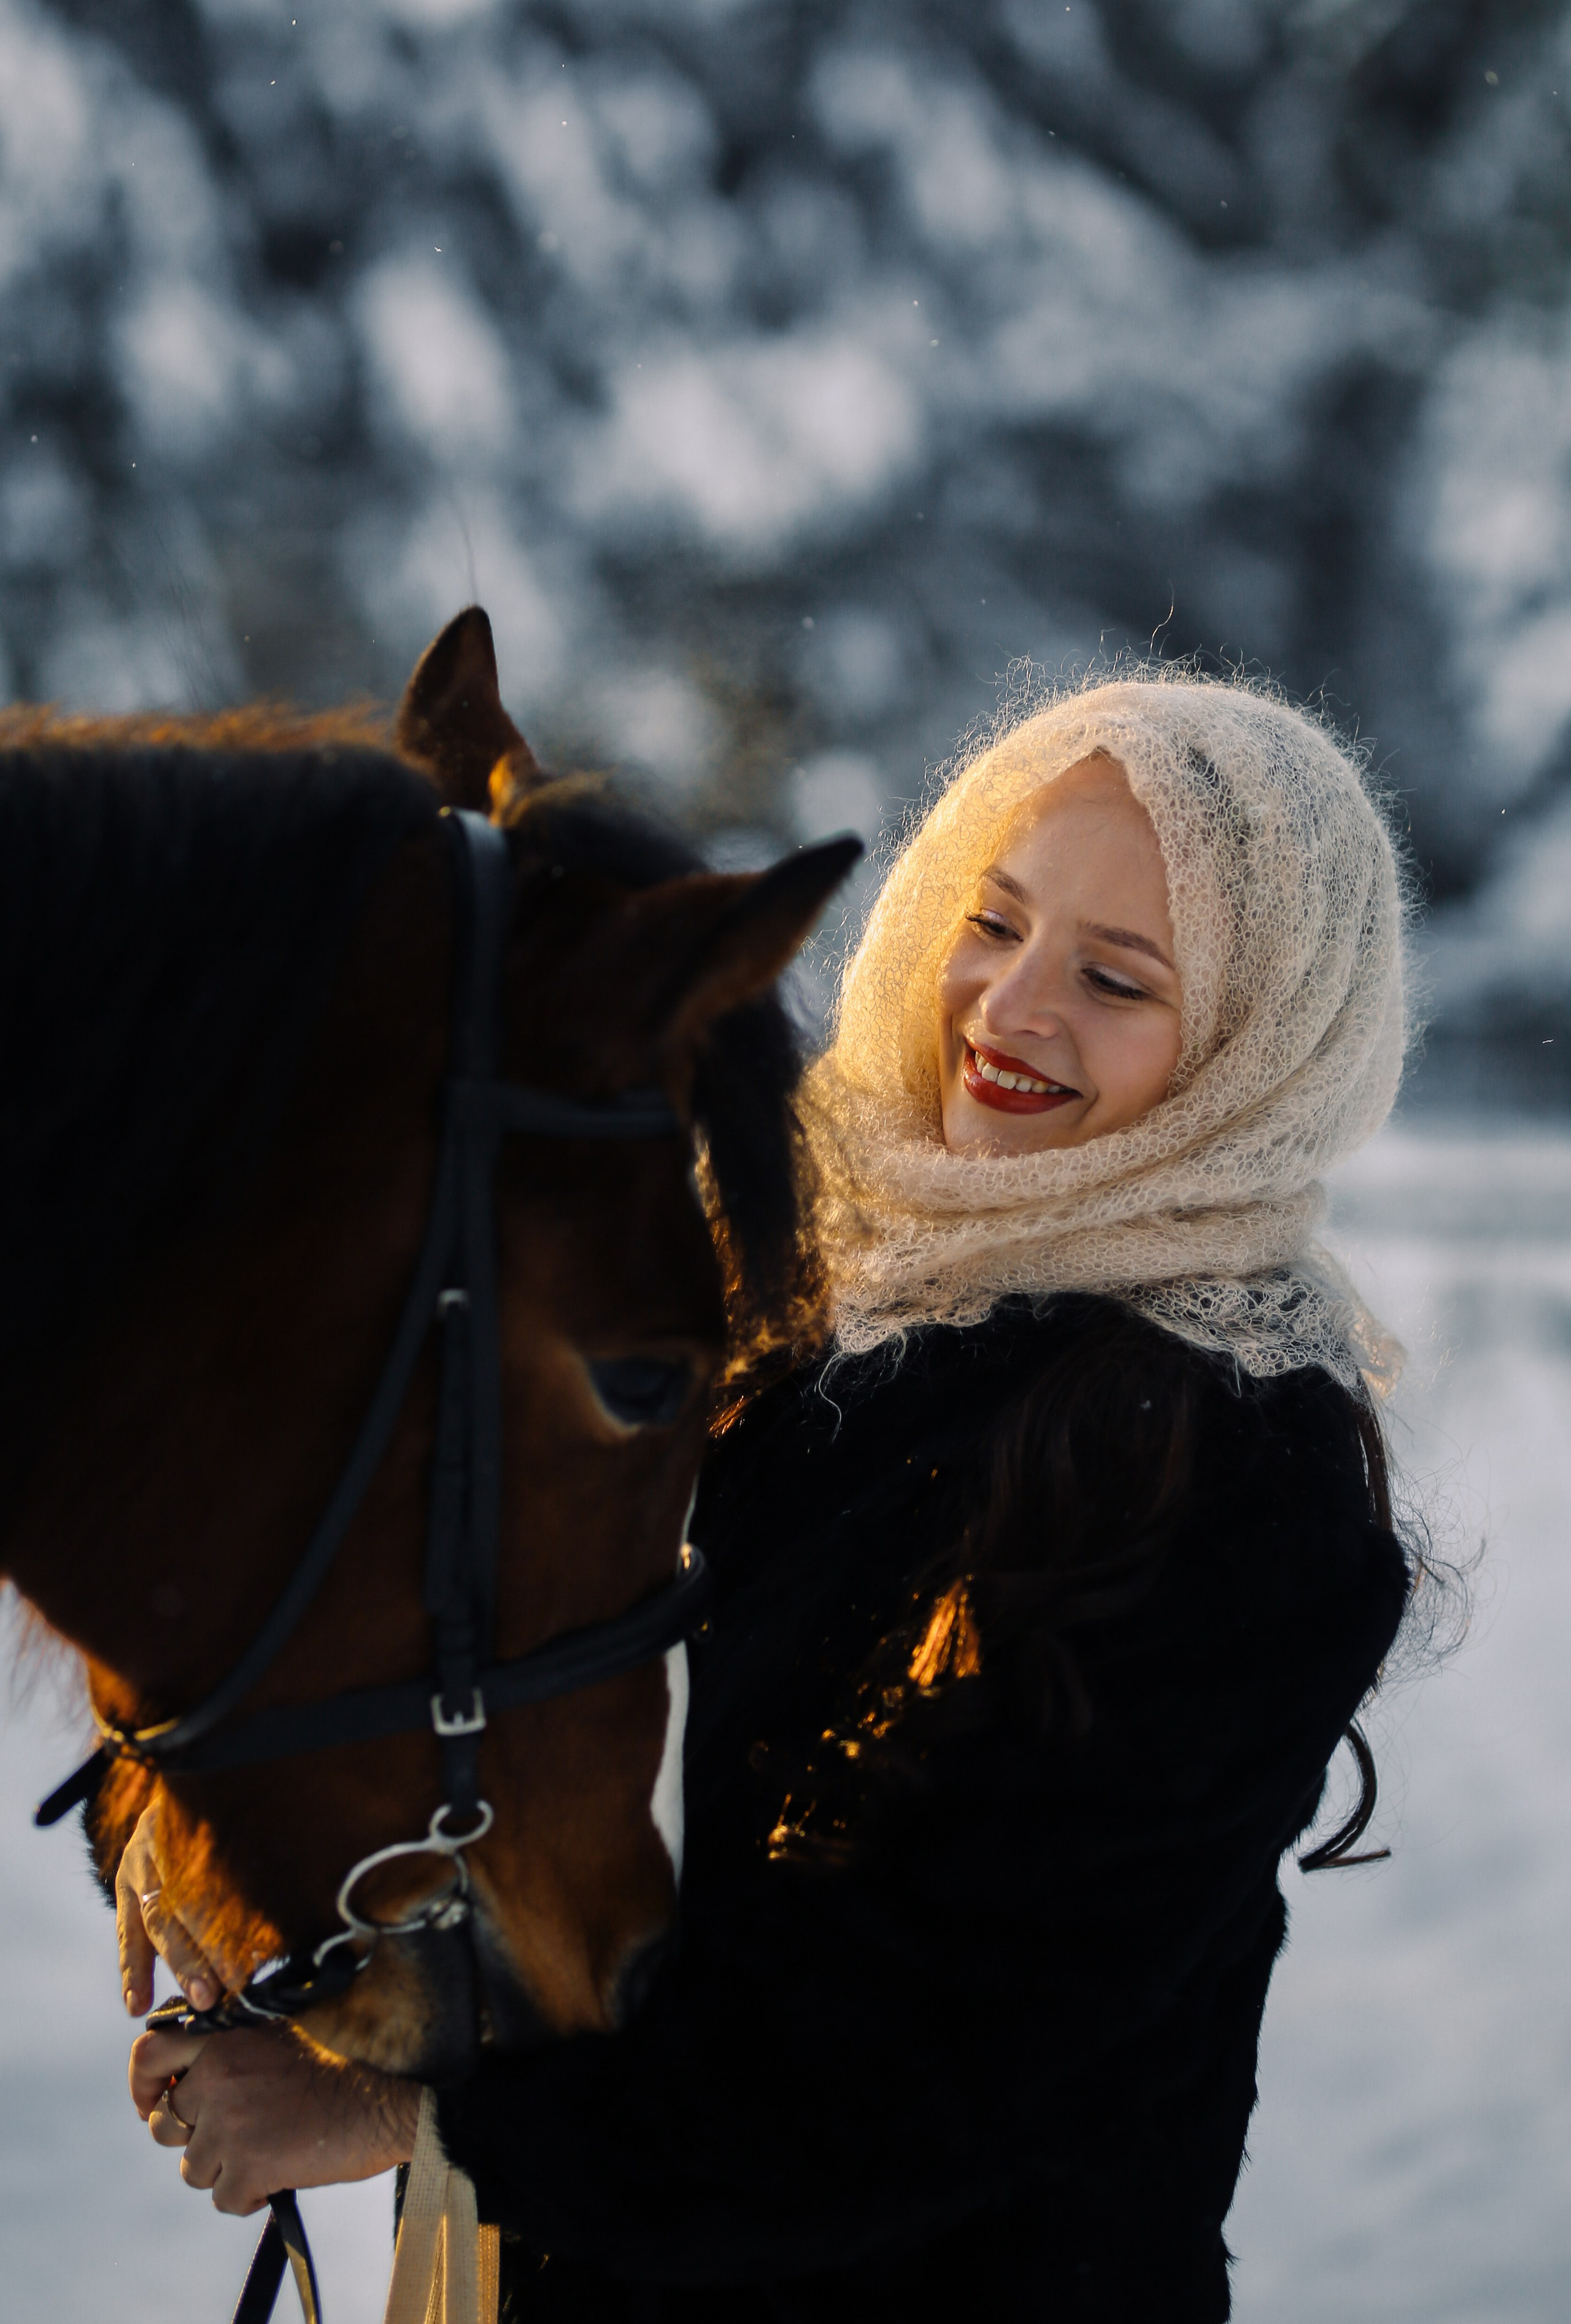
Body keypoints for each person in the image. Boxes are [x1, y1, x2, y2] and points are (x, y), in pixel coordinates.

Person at [123, 671, 1419, 2320]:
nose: (1013, 1010)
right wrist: (227, 1854)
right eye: (995, 919)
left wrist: (406, 2112)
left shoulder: (1236, 1467)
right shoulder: (783, 1266)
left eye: (1117, 978)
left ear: (1258, 1046)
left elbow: (911, 2061)